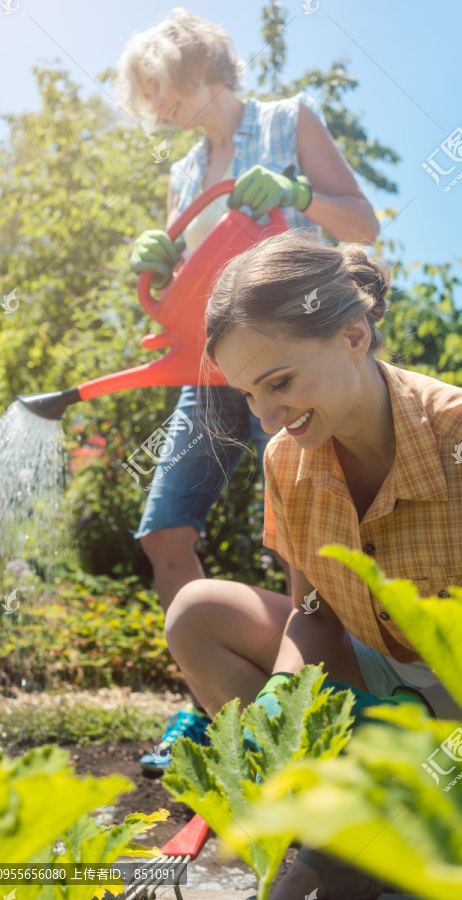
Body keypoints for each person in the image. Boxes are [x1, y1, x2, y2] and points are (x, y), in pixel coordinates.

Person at [114, 7, 379, 774]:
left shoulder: (290, 120)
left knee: (302, 541)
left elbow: (363, 224)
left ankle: (313, 711)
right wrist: (159, 260)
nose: (156, 108)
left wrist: (296, 187)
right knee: (163, 533)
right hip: (210, 367)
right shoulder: (185, 174)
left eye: (159, 88)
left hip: (295, 358)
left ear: (200, 69)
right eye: (146, 97)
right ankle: (207, 709)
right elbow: (182, 288)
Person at [164, 230, 462, 899]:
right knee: (196, 614)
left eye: (280, 382)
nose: (267, 417)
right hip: (386, 682)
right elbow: (314, 612)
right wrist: (280, 703)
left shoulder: (455, 440)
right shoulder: (287, 461)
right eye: (248, 394)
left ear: (354, 335)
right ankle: (346, 822)